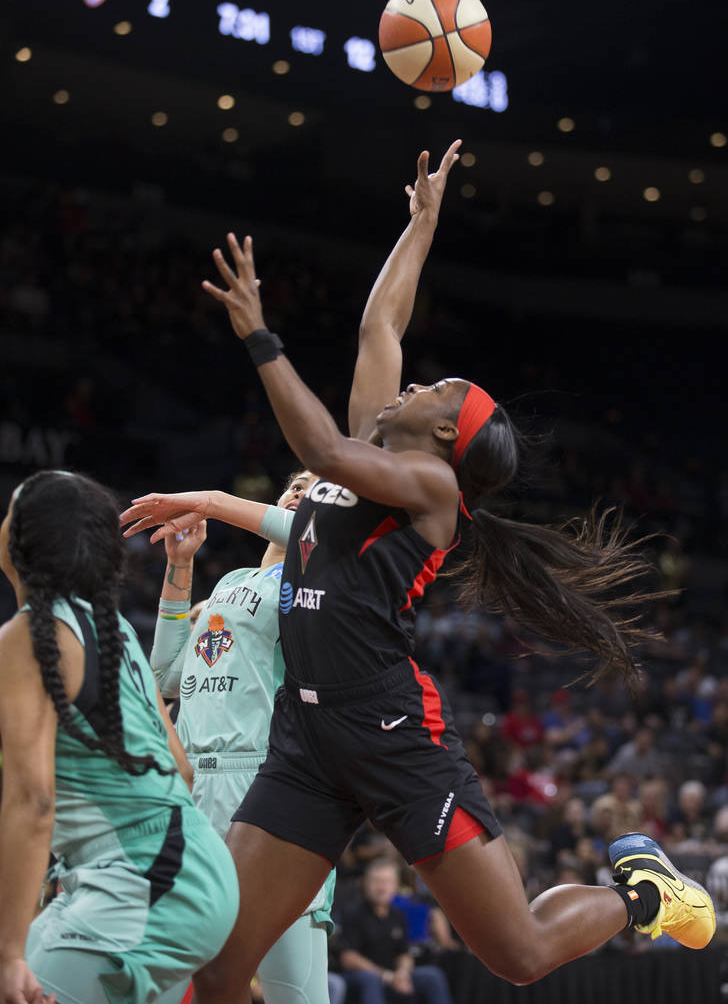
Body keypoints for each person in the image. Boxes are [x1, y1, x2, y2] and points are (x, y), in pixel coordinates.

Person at [128, 142, 715, 1003]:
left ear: (448, 435)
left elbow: (317, 444)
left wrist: (259, 334)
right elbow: (380, 329)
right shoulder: (376, 446)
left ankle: (642, 896)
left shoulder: (430, 487)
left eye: (437, 388)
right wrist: (422, 224)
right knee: (218, 974)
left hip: (389, 731)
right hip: (308, 739)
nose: (416, 384)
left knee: (515, 954)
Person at [0, 470, 239, 1004]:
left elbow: (31, 799)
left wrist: (7, 952)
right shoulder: (113, 630)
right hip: (191, 868)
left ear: (20, 539)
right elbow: (180, 766)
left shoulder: (27, 635)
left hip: (146, 876)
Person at [122, 471, 336, 1004]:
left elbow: (312, 534)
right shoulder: (231, 581)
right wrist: (180, 565)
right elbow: (165, 675)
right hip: (194, 788)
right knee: (184, 981)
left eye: (318, 488)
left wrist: (214, 503)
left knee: (294, 991)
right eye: (297, 482)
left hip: (267, 781)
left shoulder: (320, 578)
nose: (302, 488)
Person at [338, 857, 454, 1004]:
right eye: (376, 881)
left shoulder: (398, 915)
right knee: (370, 980)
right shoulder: (353, 912)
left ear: (395, 886)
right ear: (365, 884)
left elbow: (404, 953)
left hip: (393, 974)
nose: (382, 888)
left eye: (387, 882)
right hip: (362, 977)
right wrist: (386, 976)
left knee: (432, 975)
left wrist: (403, 973)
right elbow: (348, 958)